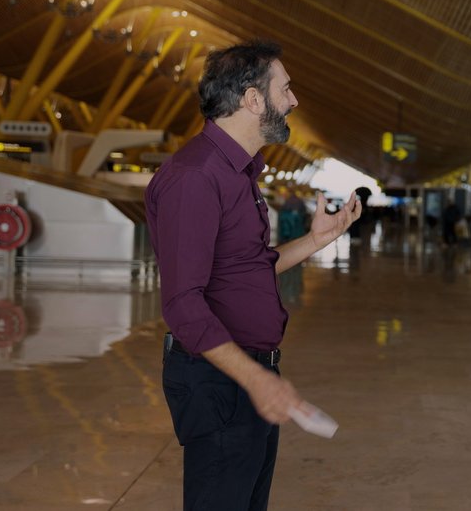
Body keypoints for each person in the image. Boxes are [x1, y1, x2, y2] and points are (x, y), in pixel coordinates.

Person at [145, 41, 362, 510]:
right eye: (285, 89)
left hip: (246, 375)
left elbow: (247, 267)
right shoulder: (196, 177)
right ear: (252, 99)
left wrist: (316, 240)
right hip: (220, 379)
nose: (293, 101)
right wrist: (255, 379)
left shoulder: (237, 174)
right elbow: (183, 304)